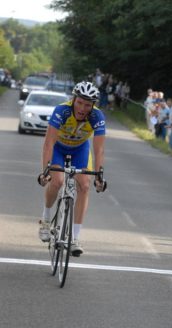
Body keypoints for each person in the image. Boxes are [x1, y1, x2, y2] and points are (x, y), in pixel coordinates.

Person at [37, 81, 107, 257]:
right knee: (57, 181)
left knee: (84, 185)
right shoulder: (62, 111)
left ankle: (75, 238)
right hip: (58, 148)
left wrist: (99, 176)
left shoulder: (97, 117)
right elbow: (48, 143)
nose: (83, 108)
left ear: (93, 106)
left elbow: (99, 149)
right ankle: (46, 220)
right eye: (80, 102)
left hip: (80, 149)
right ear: (73, 99)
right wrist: (45, 171)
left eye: (87, 105)